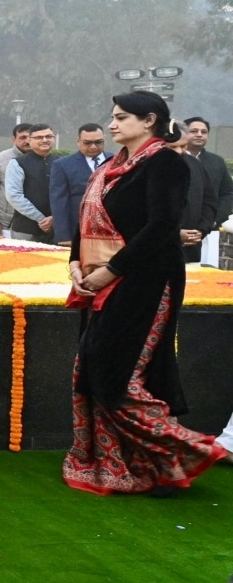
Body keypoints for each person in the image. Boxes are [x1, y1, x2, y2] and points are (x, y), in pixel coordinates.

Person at [63, 91, 226, 496]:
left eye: (121, 118)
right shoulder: (111, 166)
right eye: (113, 117)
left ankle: (185, 452)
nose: (112, 125)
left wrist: (110, 272)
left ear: (149, 120)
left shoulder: (166, 163)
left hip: (146, 279)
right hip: (102, 279)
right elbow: (86, 220)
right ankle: (119, 461)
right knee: (91, 366)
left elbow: (161, 227)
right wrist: (75, 265)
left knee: (117, 373)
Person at [184, 117, 233, 266]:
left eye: (204, 132)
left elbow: (227, 193)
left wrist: (213, 220)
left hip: (209, 229)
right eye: (194, 131)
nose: (199, 134)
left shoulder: (216, 161)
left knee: (207, 272)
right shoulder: (172, 159)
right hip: (180, 231)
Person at [50, 124, 110, 245]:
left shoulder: (117, 160)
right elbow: (59, 202)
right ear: (78, 141)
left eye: (98, 142)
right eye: (87, 143)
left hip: (111, 227)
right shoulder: (63, 165)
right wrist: (63, 236)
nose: (93, 146)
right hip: (79, 228)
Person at [168, 126, 217, 263]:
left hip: (191, 246)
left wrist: (201, 230)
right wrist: (174, 234)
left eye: (183, 146)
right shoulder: (148, 167)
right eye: (173, 147)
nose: (179, 151)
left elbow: (209, 201)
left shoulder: (195, 164)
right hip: (159, 247)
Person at [5, 124, 56, 243]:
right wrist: (41, 219)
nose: (45, 140)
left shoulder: (61, 162)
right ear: (30, 140)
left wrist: (55, 218)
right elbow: (14, 195)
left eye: (49, 136)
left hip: (58, 228)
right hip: (26, 229)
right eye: (39, 137)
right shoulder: (17, 163)